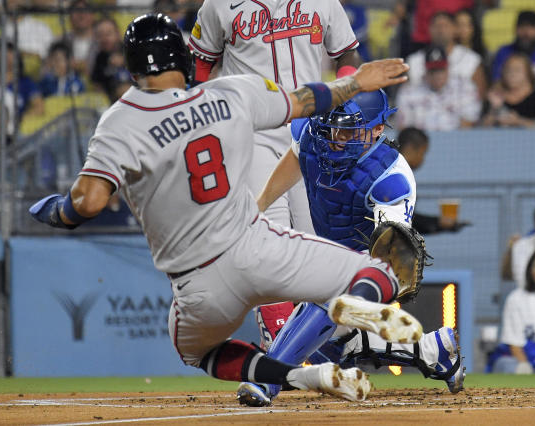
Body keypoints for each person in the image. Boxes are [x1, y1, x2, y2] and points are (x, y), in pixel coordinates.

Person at [29, 13, 424, 402]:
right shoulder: (232, 93)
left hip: (198, 283)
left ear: (132, 71)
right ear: (184, 59)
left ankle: (299, 376)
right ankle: (354, 309)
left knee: (199, 353)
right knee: (378, 270)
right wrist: (357, 82)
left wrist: (57, 211)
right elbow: (307, 101)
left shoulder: (122, 120)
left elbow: (90, 201)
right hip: (258, 246)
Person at [234, 90, 464, 407]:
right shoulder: (312, 134)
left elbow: (391, 259)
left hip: (368, 266)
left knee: (327, 297)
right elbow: (297, 156)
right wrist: (259, 206)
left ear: (377, 130)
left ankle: (266, 379)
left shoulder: (390, 178)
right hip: (328, 249)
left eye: (348, 130)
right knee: (334, 346)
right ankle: (431, 351)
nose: (337, 139)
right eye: (333, 128)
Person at [188, 0, 362, 352]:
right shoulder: (219, 5)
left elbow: (347, 56)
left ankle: (323, 345)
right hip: (251, 134)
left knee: (318, 244)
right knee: (268, 241)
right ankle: (278, 342)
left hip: (311, 133)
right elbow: (200, 66)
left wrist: (340, 92)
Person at [397, 127, 469, 235]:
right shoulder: (397, 175)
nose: (423, 159)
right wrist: (438, 222)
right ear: (411, 148)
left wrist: (439, 223)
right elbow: (401, 219)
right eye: (423, 152)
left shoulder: (392, 169)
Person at [396, 45, 481, 131]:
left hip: (456, 141)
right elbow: (404, 129)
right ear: (425, 71)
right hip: (421, 142)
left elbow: (470, 123)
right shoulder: (409, 92)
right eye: (433, 71)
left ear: (448, 70)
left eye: (441, 70)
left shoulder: (465, 88)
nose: (437, 76)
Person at [405, 11, 487, 99]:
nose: (441, 30)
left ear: (455, 29)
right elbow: (405, 94)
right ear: (429, 29)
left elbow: (481, 96)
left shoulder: (472, 60)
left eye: (445, 26)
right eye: (436, 26)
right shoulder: (414, 61)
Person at [481, 53, 535, 128]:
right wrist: (494, 109)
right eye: (508, 69)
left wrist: (519, 121)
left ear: (528, 72)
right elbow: (480, 128)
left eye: (517, 70)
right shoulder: (495, 95)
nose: (512, 73)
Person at [491, 11, 535, 87]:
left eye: (531, 27)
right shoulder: (504, 52)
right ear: (515, 30)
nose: (526, 32)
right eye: (522, 26)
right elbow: (497, 83)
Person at [90, 17, 133, 104]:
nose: (105, 38)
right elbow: (96, 84)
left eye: (108, 34)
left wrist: (125, 61)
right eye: (100, 35)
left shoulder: (130, 50)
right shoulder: (99, 58)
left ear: (118, 33)